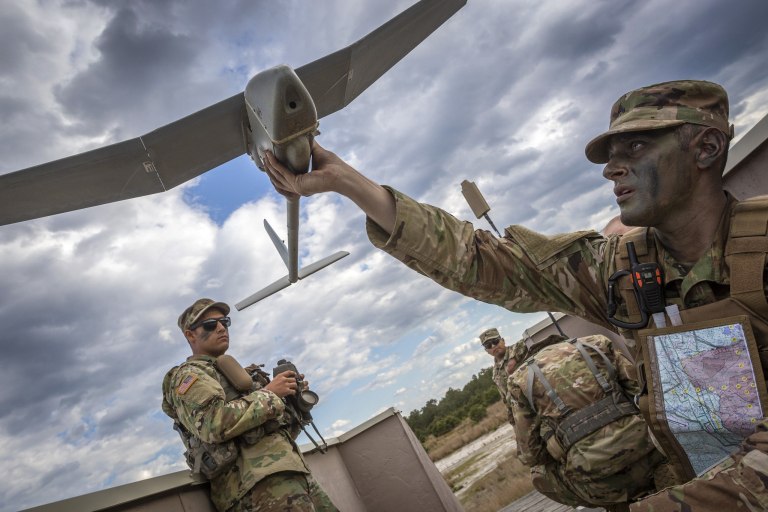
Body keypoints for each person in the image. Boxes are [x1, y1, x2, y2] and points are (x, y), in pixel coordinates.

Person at [264, 79, 768, 510]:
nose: (611, 169)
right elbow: (483, 260)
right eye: (610, 156)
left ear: (705, 148)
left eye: (635, 148)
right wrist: (346, 182)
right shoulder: (623, 268)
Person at [161, 298, 338, 512]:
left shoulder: (236, 377)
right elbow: (212, 424)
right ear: (190, 335)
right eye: (210, 324)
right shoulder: (188, 376)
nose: (221, 328)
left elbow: (276, 436)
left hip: (290, 474)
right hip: (254, 489)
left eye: (225, 322)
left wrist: (291, 402)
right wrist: (270, 394)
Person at [506, 334, 664, 511]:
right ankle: (662, 476)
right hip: (652, 451)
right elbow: (642, 393)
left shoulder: (519, 380)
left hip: (596, 480)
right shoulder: (596, 343)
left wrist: (557, 444)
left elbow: (530, 455)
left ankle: (615, 503)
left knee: (538, 474)